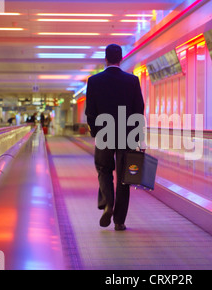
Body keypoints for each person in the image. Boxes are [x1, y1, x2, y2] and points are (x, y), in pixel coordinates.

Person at [85, 44, 145, 231]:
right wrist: (138, 138)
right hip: (127, 136)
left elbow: (90, 112)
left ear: (106, 58)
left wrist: (96, 133)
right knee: (124, 178)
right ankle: (119, 221)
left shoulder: (94, 81)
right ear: (121, 59)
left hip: (104, 134)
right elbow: (138, 111)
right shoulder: (132, 81)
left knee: (103, 169)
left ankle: (108, 203)